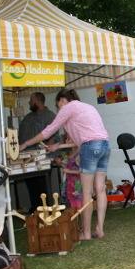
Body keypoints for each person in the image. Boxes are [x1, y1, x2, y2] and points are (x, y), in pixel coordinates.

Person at [20, 88, 110, 241]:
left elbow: (48, 132)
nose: (59, 109)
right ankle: (99, 229)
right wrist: (58, 146)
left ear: (62, 100)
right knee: (100, 189)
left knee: (86, 192)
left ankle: (86, 233)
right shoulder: (87, 107)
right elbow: (84, 138)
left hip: (90, 147)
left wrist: (25, 144)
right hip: (105, 145)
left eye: (58, 105)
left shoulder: (68, 107)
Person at [18, 92, 60, 214]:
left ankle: (45, 211)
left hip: (43, 158)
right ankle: (35, 211)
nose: (29, 102)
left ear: (38, 102)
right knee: (31, 185)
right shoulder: (27, 118)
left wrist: (45, 152)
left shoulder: (50, 116)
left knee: (42, 186)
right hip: (27, 158)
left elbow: (54, 137)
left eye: (31, 100)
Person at [55, 133, 82, 209]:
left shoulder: (79, 154)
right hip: (70, 182)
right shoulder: (71, 153)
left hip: (78, 182)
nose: (66, 141)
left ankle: (81, 214)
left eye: (68, 139)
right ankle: (75, 216)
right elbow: (68, 167)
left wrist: (69, 172)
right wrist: (60, 163)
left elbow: (83, 171)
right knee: (71, 199)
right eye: (66, 139)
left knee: (78, 200)